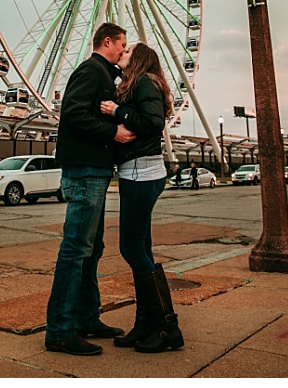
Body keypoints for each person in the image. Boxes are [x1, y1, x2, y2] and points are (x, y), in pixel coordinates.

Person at [44, 23, 136, 356]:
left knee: (92, 247)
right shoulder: (91, 71)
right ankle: (59, 330)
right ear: (106, 41)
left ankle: (86, 318)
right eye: (121, 44)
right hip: (84, 170)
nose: (123, 50)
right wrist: (112, 133)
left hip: (93, 169)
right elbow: (72, 113)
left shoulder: (104, 73)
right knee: (75, 249)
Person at [101, 42, 185, 352]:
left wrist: (116, 111)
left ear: (139, 59)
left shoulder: (146, 81)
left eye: (127, 51)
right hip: (137, 171)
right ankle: (145, 323)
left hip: (141, 172)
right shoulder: (137, 84)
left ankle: (167, 327)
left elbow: (154, 123)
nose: (121, 52)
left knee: (132, 247)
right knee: (141, 248)